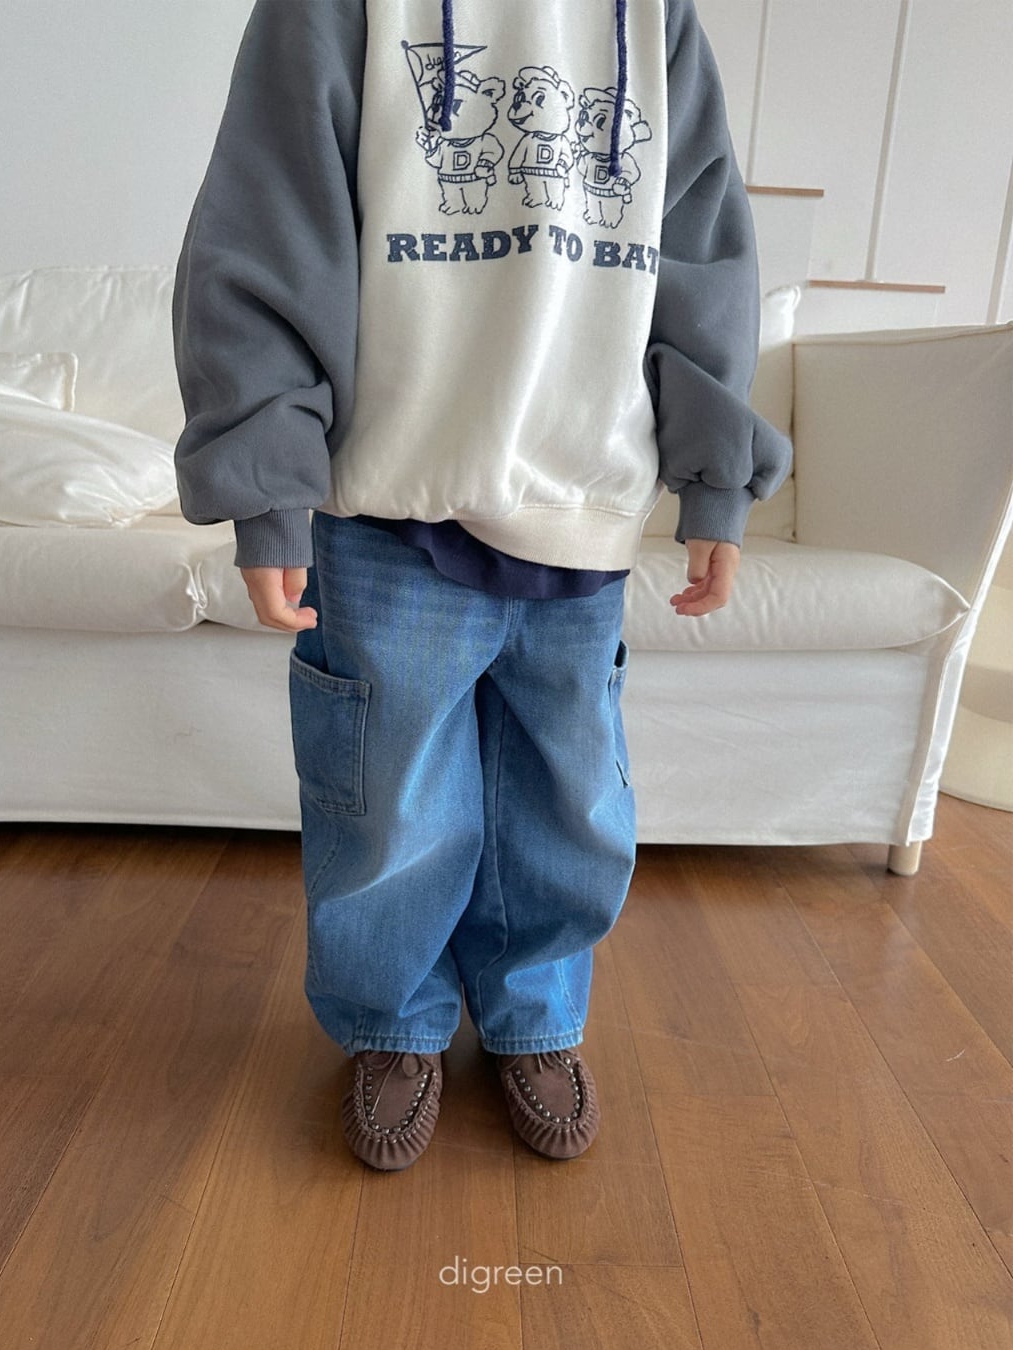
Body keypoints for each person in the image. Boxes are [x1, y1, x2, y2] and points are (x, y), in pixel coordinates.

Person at [171, 0, 792, 1172]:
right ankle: (393, 1022)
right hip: (390, 496)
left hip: (583, 490)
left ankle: (533, 1017)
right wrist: (268, 485)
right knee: (387, 802)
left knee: (572, 798)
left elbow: (701, 241)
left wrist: (716, 478)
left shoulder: (654, 16)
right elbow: (267, 224)